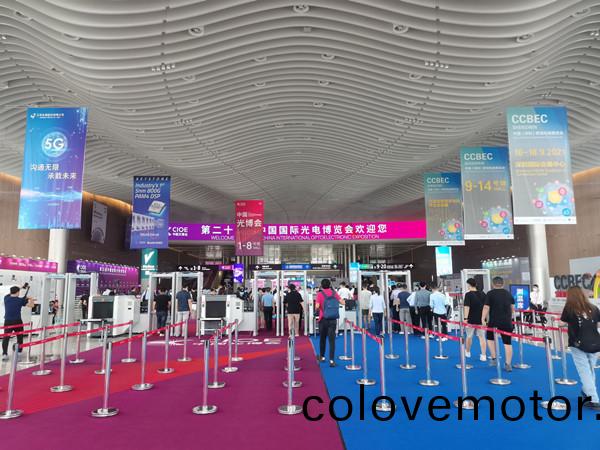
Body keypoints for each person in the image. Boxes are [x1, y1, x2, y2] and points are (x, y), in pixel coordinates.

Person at [560, 286, 600, 410]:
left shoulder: (569, 308)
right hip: (595, 343)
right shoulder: (594, 308)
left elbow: (562, 322)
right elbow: (597, 325)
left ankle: (594, 399)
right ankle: (586, 391)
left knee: (584, 371)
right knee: (590, 370)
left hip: (578, 344)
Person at [481, 277, 514, 371]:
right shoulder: (508, 293)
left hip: (494, 321)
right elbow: (512, 307)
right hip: (507, 322)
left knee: (490, 339)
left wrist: (482, 319)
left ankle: (494, 358)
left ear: (493, 284)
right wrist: (510, 317)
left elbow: (486, 307)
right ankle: (508, 364)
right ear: (503, 283)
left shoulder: (490, 293)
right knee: (508, 343)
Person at [315, 279, 344, 367]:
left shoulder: (319, 294)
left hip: (323, 319)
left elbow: (317, 306)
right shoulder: (334, 293)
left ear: (321, 285)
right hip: (333, 319)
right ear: (330, 284)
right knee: (332, 340)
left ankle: (322, 357)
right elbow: (342, 302)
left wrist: (318, 309)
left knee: (322, 339)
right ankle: (331, 360)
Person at [2, 286, 35, 360]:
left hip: (7, 321)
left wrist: (21, 287)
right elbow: (32, 305)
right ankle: (19, 351)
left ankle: (4, 354)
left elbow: (11, 293)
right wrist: (31, 299)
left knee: (6, 338)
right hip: (17, 321)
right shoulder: (20, 300)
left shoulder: (6, 298)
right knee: (20, 336)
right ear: (17, 292)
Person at [463, 278, 487, 361]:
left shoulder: (468, 295)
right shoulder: (483, 294)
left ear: (469, 285)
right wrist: (485, 319)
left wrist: (465, 318)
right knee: (482, 337)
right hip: (481, 319)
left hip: (471, 319)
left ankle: (467, 352)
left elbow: (467, 307)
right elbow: (486, 307)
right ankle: (483, 355)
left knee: (469, 336)